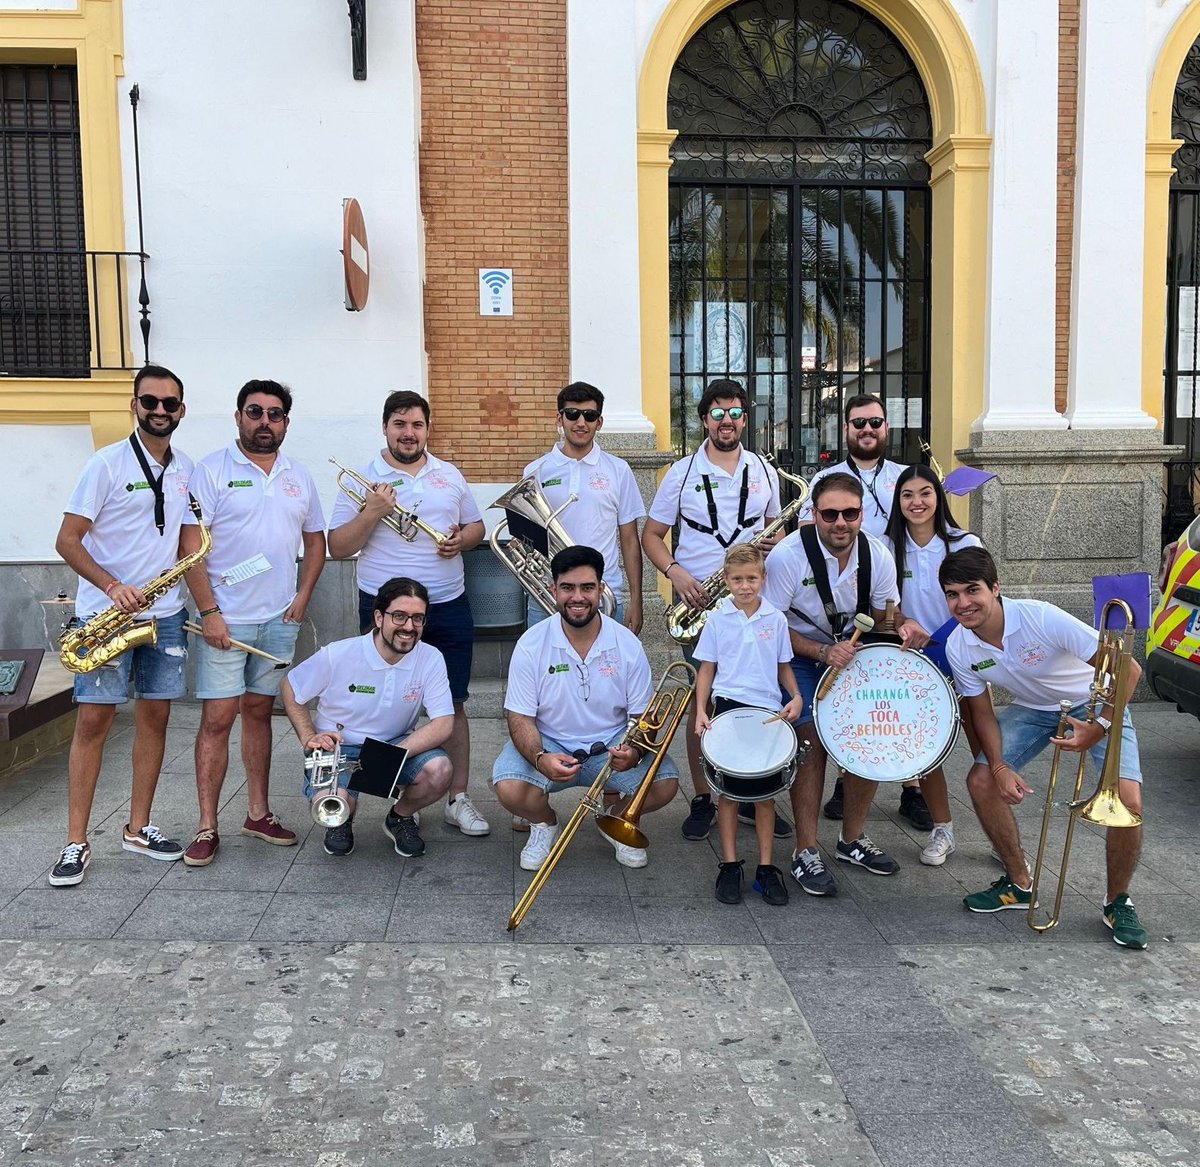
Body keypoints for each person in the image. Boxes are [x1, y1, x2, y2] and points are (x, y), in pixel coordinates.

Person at [939, 547, 1149, 950]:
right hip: (1035, 710)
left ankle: (1117, 900)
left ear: (996, 588)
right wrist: (999, 767)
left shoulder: (1040, 616)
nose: (963, 603)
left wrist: (1100, 726)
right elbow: (981, 713)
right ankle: (1018, 884)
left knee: (1127, 801)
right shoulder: (958, 646)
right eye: (952, 594)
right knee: (981, 780)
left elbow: (1129, 669)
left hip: (1097, 701)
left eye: (972, 590)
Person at [49, 364, 194, 886]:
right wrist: (113, 586)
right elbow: (67, 541)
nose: (160, 411)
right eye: (150, 401)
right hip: (107, 616)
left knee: (155, 721)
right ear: (134, 405)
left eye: (169, 403)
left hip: (165, 615)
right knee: (93, 724)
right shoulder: (105, 465)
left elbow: (189, 542)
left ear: (182, 410)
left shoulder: (186, 468)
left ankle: (138, 827)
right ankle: (75, 842)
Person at [327, 390, 489, 837]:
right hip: (386, 612)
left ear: (427, 429)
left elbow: (476, 526)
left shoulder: (449, 475)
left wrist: (464, 540)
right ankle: (403, 797)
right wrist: (373, 512)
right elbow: (338, 546)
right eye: (399, 424)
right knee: (385, 704)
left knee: (453, 703)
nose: (408, 432)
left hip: (447, 604)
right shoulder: (366, 478)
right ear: (385, 428)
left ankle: (457, 796)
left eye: (416, 424)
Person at [180, 379, 326, 867]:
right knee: (219, 719)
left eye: (275, 414)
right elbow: (189, 549)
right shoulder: (210, 471)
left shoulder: (298, 476)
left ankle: (258, 814)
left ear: (286, 422)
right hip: (224, 623)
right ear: (238, 416)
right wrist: (210, 612)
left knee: (260, 713)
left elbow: (316, 541)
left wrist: (303, 595)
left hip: (278, 618)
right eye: (255, 412)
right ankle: (207, 825)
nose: (265, 421)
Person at [763, 472, 925, 895]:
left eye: (849, 513)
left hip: (852, 653)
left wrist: (906, 627)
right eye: (830, 513)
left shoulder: (879, 556)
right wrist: (820, 653)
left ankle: (851, 840)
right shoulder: (786, 556)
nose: (840, 522)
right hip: (799, 654)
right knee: (811, 738)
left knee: (866, 735)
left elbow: (888, 614)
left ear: (861, 514)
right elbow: (772, 626)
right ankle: (806, 850)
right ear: (814, 514)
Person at [642, 378, 787, 842]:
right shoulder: (681, 473)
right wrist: (676, 573)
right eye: (718, 413)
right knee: (699, 702)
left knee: (755, 699)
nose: (728, 421)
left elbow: (778, 534)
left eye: (736, 412)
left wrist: (771, 548)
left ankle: (750, 794)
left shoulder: (763, 470)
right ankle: (704, 795)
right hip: (700, 603)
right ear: (704, 420)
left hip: (751, 601)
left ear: (746, 418)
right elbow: (651, 535)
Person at [492, 545, 680, 871]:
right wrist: (539, 757)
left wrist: (634, 751)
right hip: (550, 743)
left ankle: (616, 820)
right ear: (553, 590)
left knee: (666, 783)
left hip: (612, 746)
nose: (577, 597)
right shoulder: (531, 643)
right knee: (508, 784)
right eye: (567, 588)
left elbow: (642, 716)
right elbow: (520, 717)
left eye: (587, 587)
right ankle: (544, 824)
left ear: (601, 589)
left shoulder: (627, 644)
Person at [803, 394, 922, 826]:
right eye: (858, 423)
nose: (867, 430)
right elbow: (807, 535)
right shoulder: (828, 478)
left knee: (891, 700)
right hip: (841, 597)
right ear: (846, 429)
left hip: (888, 594)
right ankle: (843, 781)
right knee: (846, 702)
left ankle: (912, 786)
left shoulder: (905, 477)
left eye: (875, 422)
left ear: (887, 426)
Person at [280, 577, 454, 858]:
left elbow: (444, 723)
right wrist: (308, 736)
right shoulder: (339, 654)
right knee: (332, 804)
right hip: (340, 746)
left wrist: (388, 756)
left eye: (418, 619)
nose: (409, 627)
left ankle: (400, 817)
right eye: (399, 616)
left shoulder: (430, 657)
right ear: (378, 617)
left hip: (395, 745)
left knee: (440, 770)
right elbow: (291, 687)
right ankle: (343, 819)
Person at [693, 544, 804, 906]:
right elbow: (706, 669)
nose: (744, 586)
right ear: (726, 581)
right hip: (727, 708)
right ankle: (729, 864)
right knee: (728, 794)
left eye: (751, 578)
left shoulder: (775, 618)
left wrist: (795, 695)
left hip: (766, 710)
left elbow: (783, 664)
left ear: (763, 578)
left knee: (765, 796)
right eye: (737, 579)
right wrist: (700, 710)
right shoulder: (717, 618)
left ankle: (767, 869)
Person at [882, 463, 981, 866]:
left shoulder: (964, 542)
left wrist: (948, 633)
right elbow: (886, 606)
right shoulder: (887, 545)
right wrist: (904, 623)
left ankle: (1000, 828)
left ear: (938, 498)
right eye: (907, 495)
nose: (916, 502)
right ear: (898, 502)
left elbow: (980, 603)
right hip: (916, 660)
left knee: (984, 746)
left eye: (925, 493)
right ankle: (943, 829)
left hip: (965, 655)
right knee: (930, 749)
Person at [521, 381, 646, 634]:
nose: (581, 422)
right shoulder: (535, 471)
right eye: (572, 414)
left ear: (599, 422)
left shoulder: (619, 470)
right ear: (560, 418)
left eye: (590, 416)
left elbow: (630, 540)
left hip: (604, 593)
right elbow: (527, 538)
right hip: (548, 592)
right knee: (547, 670)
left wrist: (636, 599)